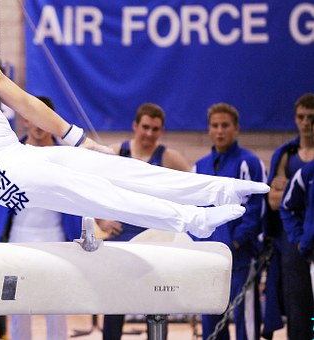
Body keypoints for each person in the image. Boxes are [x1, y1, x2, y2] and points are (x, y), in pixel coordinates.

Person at [0, 20, 268, 248]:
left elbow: (27, 103)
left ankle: (216, 189)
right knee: (100, 194)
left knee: (118, 169)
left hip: (24, 155)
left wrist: (77, 138)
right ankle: (191, 221)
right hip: (2, 176)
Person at [0, 96, 82, 340]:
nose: (39, 126)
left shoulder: (66, 159)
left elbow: (79, 199)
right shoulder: (8, 155)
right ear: (25, 120)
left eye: (44, 120)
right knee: (19, 306)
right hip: (19, 238)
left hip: (58, 239)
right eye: (33, 119)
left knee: (57, 306)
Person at [99, 102, 190, 340]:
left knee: (157, 300)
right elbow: (89, 189)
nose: (149, 134)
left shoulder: (169, 158)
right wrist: (101, 219)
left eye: (155, 129)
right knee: (114, 302)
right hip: (121, 235)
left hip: (155, 239)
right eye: (145, 127)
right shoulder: (115, 152)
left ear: (161, 131)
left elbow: (193, 192)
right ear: (135, 126)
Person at [191, 103, 266, 340]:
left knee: (246, 320)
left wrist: (236, 241)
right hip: (209, 259)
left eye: (225, 125)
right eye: (215, 126)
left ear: (236, 129)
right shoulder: (199, 167)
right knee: (211, 321)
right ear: (209, 130)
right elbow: (192, 209)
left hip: (240, 257)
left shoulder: (249, 163)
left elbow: (256, 209)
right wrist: (199, 243)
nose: (220, 131)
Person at [264, 93, 314, 340]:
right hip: (293, 238)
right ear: (295, 119)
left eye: (311, 118)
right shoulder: (286, 154)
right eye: (301, 117)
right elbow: (273, 202)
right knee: (297, 304)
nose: (306, 123)